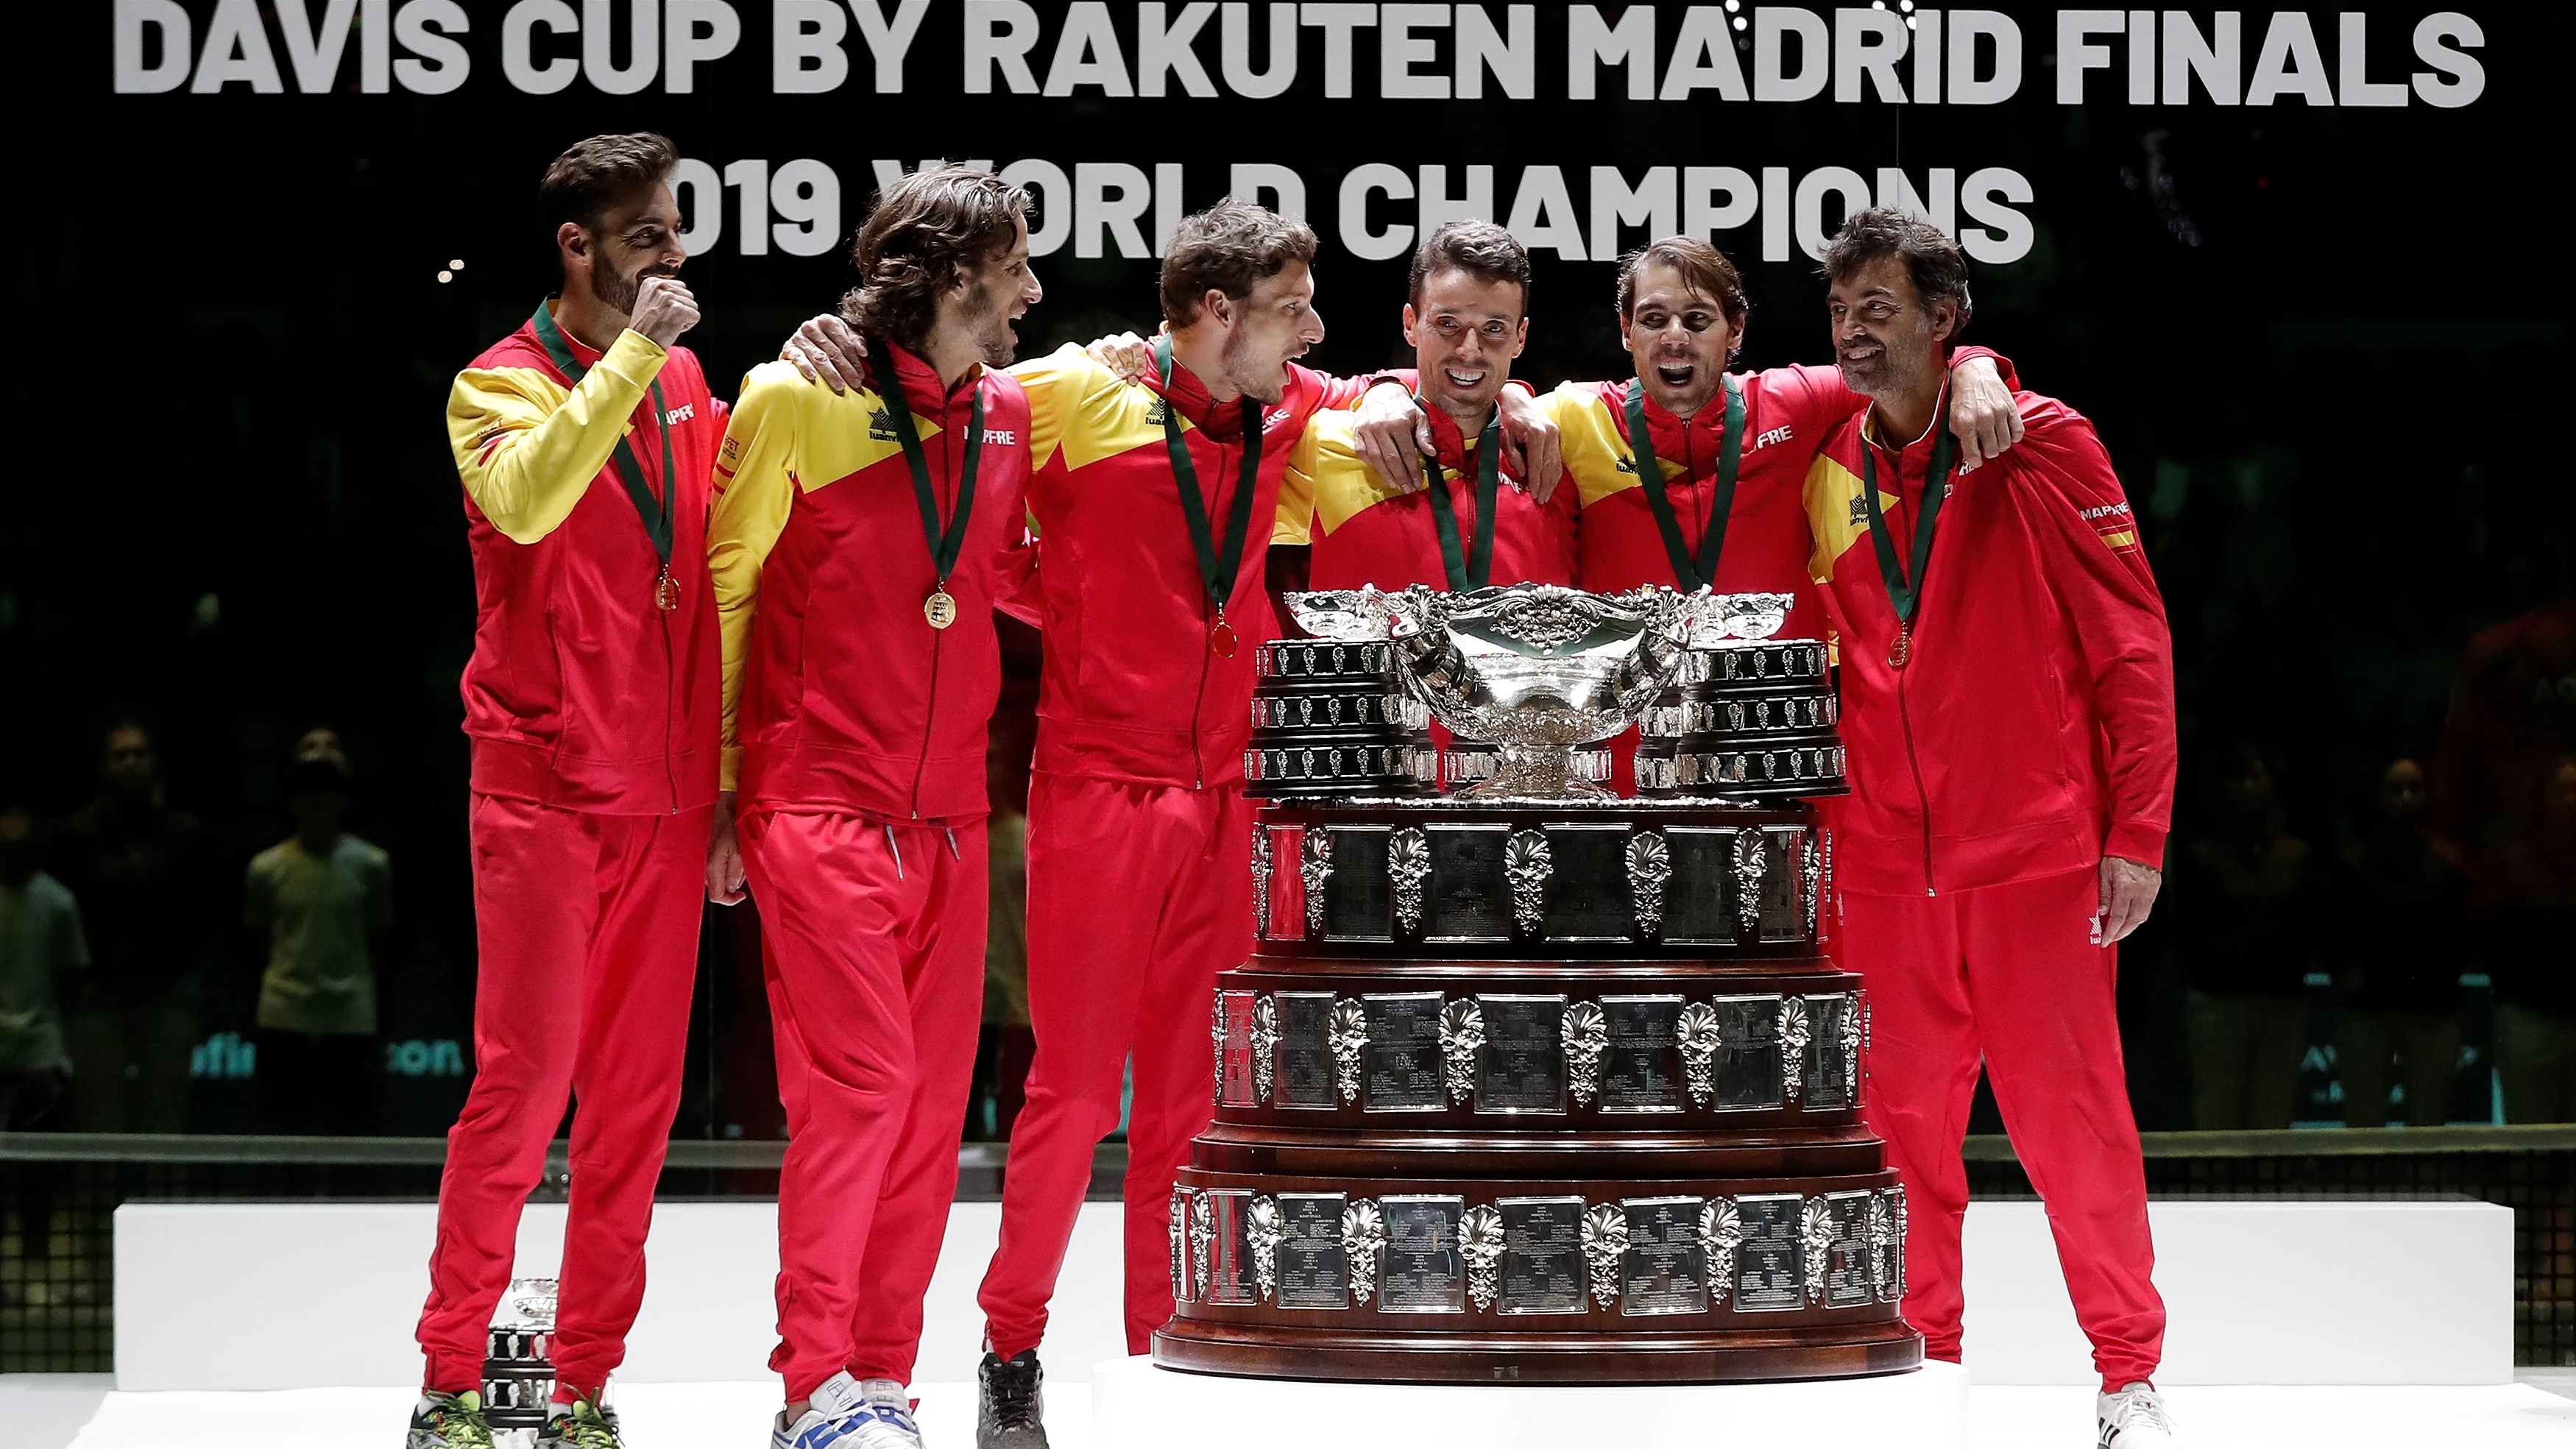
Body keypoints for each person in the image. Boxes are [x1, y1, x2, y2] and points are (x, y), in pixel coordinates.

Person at [782, 199, 1563, 1449]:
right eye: (1294, 308)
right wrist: (833, 343)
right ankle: (1012, 1340)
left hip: (1227, 792)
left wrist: (1469, 398)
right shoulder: (1076, 395)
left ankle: (1166, 1341)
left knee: (1197, 1104)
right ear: (1218, 315)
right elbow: (942, 413)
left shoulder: (1294, 408)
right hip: (1097, 786)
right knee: (1078, 1093)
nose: (1313, 329)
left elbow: (1380, 387)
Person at [1799, 208, 2179, 1448]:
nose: (1857, 332)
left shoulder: (2042, 443)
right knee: (1902, 1138)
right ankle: (1931, 1376)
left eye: (1883, 308)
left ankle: (2128, 1373)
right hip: (1883, 859)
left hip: (2034, 850)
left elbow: (2132, 643)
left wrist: (2142, 831)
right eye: (1843, 309)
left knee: (2074, 1124)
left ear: (1945, 319)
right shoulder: (1826, 461)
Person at [701, 165, 1043, 1449]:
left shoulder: (1009, 406)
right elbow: (727, 590)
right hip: (817, 802)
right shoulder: (798, 396)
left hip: (952, 815)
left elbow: (1157, 372)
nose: (1032, 289)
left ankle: (881, 1379)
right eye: (1013, 266)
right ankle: (810, 1382)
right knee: (859, 1086)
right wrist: (727, 792)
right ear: (954, 277)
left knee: (929, 1100)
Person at [409, 132, 723, 1449]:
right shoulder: (494, 386)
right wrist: (640, 357)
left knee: (636, 1108)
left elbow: (713, 570)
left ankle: (588, 1381)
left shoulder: (690, 378)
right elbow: (532, 502)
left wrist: (722, 788)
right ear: (579, 247)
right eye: (646, 232)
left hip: (662, 799)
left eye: (675, 227)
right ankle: (452, 1374)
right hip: (541, 787)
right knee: (523, 1090)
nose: (672, 253)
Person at [1546, 235, 2021, 793]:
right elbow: (1478, 402)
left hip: (1777, 764)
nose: (1675, 338)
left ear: (1736, 331)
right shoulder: (1577, 417)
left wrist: (1973, 365)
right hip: (1632, 773)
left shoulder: (1793, 401)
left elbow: (1904, 371)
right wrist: (1411, 393)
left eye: (1697, 320)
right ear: (1626, 330)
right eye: (1654, 319)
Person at [1273, 221, 1579, 594]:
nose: (1469, 349)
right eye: (1447, 323)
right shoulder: (1326, 440)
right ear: (1411, 324)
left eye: (1494, 328)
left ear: (1521, 337)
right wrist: (1383, 386)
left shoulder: (1561, 448)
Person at [56, 720, 216, 1133]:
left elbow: (203, 912)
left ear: (157, 764)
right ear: (104, 766)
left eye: (139, 754)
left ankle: (163, 1202)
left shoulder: (188, 834)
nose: (130, 763)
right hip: (98, 1000)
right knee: (98, 1129)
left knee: (165, 1129)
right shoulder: (76, 835)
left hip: (168, 994)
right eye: (120, 754)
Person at [242, 731, 392, 1136]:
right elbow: (258, 941)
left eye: (326, 792)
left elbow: (381, 939)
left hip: (351, 1020)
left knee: (353, 1137)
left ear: (342, 800)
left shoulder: (372, 865)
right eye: (307, 793)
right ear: (293, 802)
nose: (317, 803)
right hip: (284, 1019)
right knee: (283, 1138)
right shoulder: (265, 868)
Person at [2173, 742, 2315, 1130]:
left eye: (2257, 776)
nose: (2250, 788)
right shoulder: (2202, 858)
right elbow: (2187, 928)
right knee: (2216, 1115)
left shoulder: (2297, 857)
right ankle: (2214, 1191)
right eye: (2240, 778)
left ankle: (2266, 1193)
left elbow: (2306, 927)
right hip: (2217, 1003)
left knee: (2272, 1117)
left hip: (2281, 1003)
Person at [2326, 757, 2468, 1127]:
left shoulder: (2449, 867)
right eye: (2395, 788)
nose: (2406, 797)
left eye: (2415, 788)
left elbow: (2462, 937)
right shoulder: (2351, 866)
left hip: (2434, 1013)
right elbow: (2333, 935)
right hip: (2366, 1012)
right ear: (2377, 797)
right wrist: (2348, 977)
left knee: (2428, 1129)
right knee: (2363, 1129)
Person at [2486, 756, 2576, 1120]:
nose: (2572, 799)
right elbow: (2488, 933)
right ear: (2541, 798)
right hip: (2529, 1021)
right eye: (2563, 790)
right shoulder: (2512, 862)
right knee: (2528, 1147)